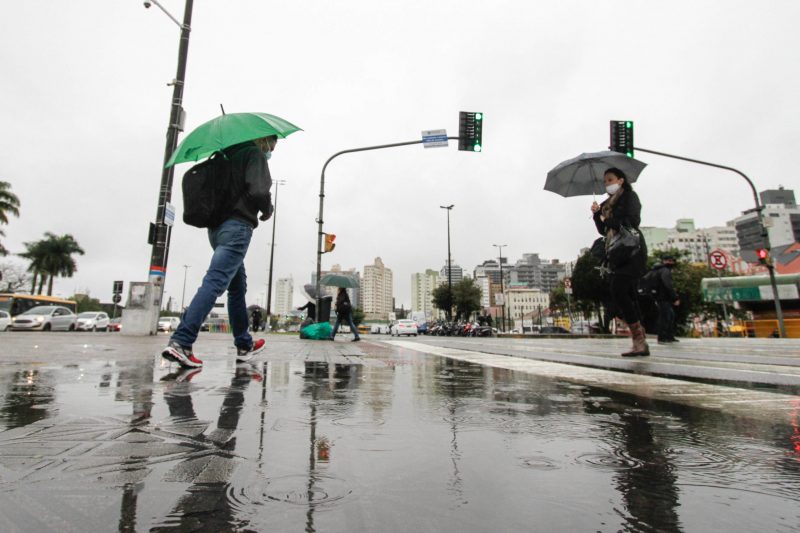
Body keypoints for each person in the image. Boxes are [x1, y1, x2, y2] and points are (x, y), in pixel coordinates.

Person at [162, 135, 278, 368]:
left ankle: (244, 344)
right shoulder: (253, 155)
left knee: (237, 287)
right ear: (263, 139)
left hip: (216, 231)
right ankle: (181, 342)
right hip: (237, 227)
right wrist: (267, 209)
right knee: (216, 281)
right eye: (272, 143)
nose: (272, 149)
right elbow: (258, 191)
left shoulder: (223, 156)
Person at [591, 167, 649, 357]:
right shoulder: (606, 204)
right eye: (605, 181)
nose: (608, 184)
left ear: (621, 180)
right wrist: (596, 214)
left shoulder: (630, 197)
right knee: (628, 294)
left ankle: (639, 340)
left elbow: (632, 221)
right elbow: (602, 230)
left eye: (611, 179)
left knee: (619, 290)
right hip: (615, 252)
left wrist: (608, 219)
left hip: (632, 251)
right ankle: (640, 342)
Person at [652, 256, 680, 344]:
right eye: (670, 261)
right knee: (666, 317)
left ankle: (669, 336)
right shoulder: (665, 271)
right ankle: (663, 337)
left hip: (661, 297)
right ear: (665, 261)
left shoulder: (659, 270)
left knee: (670, 316)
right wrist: (675, 297)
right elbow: (668, 285)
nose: (672, 263)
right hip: (663, 298)